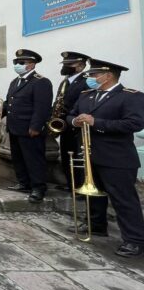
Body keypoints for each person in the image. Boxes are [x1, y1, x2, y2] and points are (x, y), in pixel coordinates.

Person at [66, 58, 144, 257]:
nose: (90, 78)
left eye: (94, 74)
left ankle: (134, 240)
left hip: (116, 157)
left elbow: (133, 124)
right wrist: (75, 120)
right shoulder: (86, 95)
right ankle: (97, 225)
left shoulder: (130, 97)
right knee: (94, 194)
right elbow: (70, 115)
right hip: (90, 153)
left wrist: (96, 122)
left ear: (108, 76)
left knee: (124, 199)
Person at [2, 49, 53, 203]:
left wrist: (36, 127)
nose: (17, 65)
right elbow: (9, 101)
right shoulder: (15, 81)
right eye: (16, 62)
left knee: (34, 159)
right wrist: (1, 111)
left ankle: (38, 187)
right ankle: (24, 183)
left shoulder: (41, 81)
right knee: (18, 158)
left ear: (31, 64)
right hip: (15, 127)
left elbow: (42, 107)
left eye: (21, 63)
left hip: (30, 129)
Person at [54, 51, 90, 191]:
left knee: (79, 157)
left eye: (70, 64)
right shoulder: (65, 81)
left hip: (78, 126)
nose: (66, 66)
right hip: (65, 126)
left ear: (81, 66)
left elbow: (86, 104)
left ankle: (81, 187)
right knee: (66, 156)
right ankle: (71, 185)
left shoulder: (86, 80)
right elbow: (59, 101)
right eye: (65, 64)